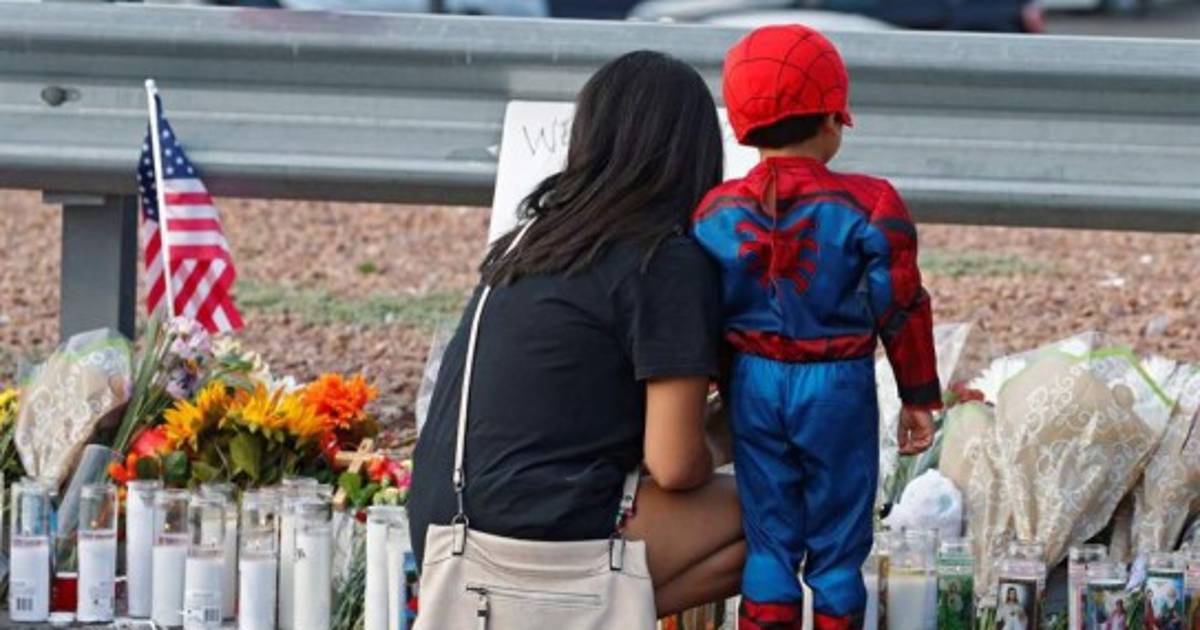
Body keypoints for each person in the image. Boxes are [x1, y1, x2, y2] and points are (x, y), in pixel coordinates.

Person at [407, 49, 745, 618]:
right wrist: (732, 435)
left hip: (445, 532)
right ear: (696, 150)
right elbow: (674, 463)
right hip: (525, 537)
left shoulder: (531, 239)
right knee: (786, 516)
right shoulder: (663, 258)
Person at [691, 24, 941, 628]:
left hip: (752, 383)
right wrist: (918, 396)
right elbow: (901, 305)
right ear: (833, 119)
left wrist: (717, 382)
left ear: (743, 124)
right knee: (838, 548)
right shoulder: (871, 204)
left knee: (768, 540)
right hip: (837, 384)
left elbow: (701, 312)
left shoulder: (714, 211)